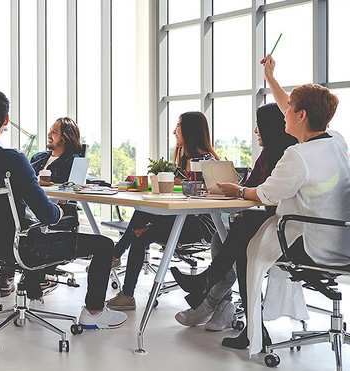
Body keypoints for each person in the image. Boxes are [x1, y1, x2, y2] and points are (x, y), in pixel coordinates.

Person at [173, 55, 349, 356]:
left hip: (312, 245)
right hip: (341, 240)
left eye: (290, 111)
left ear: (302, 116)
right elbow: (288, 108)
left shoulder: (297, 156)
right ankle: (215, 284)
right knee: (245, 230)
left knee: (244, 232)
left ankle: (214, 283)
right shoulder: (336, 140)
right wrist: (270, 78)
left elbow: (267, 194)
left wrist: (236, 189)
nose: (284, 116)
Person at [0, 89, 127, 328]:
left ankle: (34, 292)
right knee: (105, 245)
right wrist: (58, 209)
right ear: (6, 121)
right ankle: (94, 311)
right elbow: (48, 215)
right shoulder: (14, 159)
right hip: (26, 246)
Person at [171, 103, 297, 332]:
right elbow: (249, 187)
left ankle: (208, 293)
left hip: (287, 227)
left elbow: (268, 193)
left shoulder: (288, 158)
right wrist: (234, 189)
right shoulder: (266, 155)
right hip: (273, 222)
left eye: (259, 125)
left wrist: (240, 192)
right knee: (223, 239)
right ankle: (220, 301)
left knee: (240, 236)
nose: (256, 131)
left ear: (269, 127)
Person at [105, 111, 217, 311]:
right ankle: (122, 274)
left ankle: (118, 263)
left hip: (197, 225)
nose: (174, 131)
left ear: (190, 130)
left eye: (178, 126)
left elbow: (202, 194)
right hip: (178, 218)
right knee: (141, 215)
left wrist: (179, 182)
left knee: (140, 230)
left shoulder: (207, 161)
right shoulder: (184, 160)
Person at [0, 117, 86, 296]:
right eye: (50, 130)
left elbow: (71, 191)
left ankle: (15, 275)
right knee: (11, 219)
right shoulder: (38, 157)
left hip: (53, 208)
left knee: (18, 221)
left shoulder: (74, 161)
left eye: (54, 132)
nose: (49, 134)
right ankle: (14, 274)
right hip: (29, 207)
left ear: (65, 138)